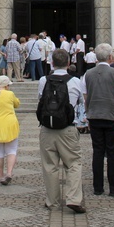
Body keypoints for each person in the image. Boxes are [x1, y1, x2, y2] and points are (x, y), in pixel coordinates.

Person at [37, 49, 86, 213]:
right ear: (68, 63)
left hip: (47, 129)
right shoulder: (75, 81)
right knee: (73, 163)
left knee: (49, 165)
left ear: (51, 63)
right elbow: (81, 102)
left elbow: (40, 99)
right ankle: (73, 198)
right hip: (68, 128)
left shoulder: (44, 80)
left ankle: (52, 201)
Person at [82, 43, 114, 196]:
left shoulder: (87, 74)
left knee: (97, 151)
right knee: (113, 152)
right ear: (110, 57)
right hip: (112, 116)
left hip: (95, 116)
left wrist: (88, 112)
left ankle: (98, 187)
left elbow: (85, 97)